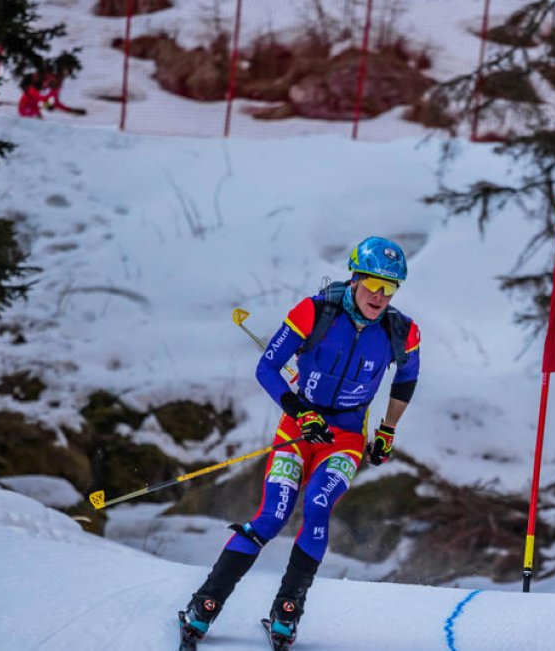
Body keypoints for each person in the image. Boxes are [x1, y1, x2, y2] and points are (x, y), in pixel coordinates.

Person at [179, 236, 421, 649]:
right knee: (273, 514)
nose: (380, 296)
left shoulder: (402, 331)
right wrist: (299, 410)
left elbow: (406, 379)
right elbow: (267, 367)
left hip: (343, 439)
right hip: (297, 430)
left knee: (317, 508)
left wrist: (387, 430)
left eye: (390, 288)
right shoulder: (314, 311)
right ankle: (205, 604)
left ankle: (287, 611)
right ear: (356, 278)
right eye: (374, 285)